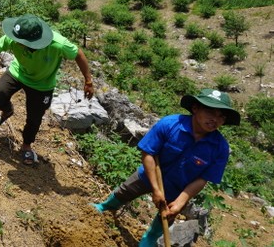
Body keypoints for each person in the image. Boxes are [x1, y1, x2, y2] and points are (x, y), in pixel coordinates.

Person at [92, 88, 239, 247]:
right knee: (125, 191)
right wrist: (156, 189)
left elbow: (203, 178)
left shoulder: (220, 147)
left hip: (178, 190)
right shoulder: (170, 124)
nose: (215, 119)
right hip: (149, 175)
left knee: (164, 221)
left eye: (221, 116)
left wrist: (180, 202)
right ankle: (105, 207)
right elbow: (148, 154)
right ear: (195, 108)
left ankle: (147, 242)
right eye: (211, 112)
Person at [0, 14, 93, 165]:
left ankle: (26, 146)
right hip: (18, 73)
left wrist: (88, 80)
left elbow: (78, 54)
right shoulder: (13, 37)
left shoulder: (58, 44)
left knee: (34, 118)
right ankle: (7, 111)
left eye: (21, 42)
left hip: (42, 84)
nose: (16, 43)